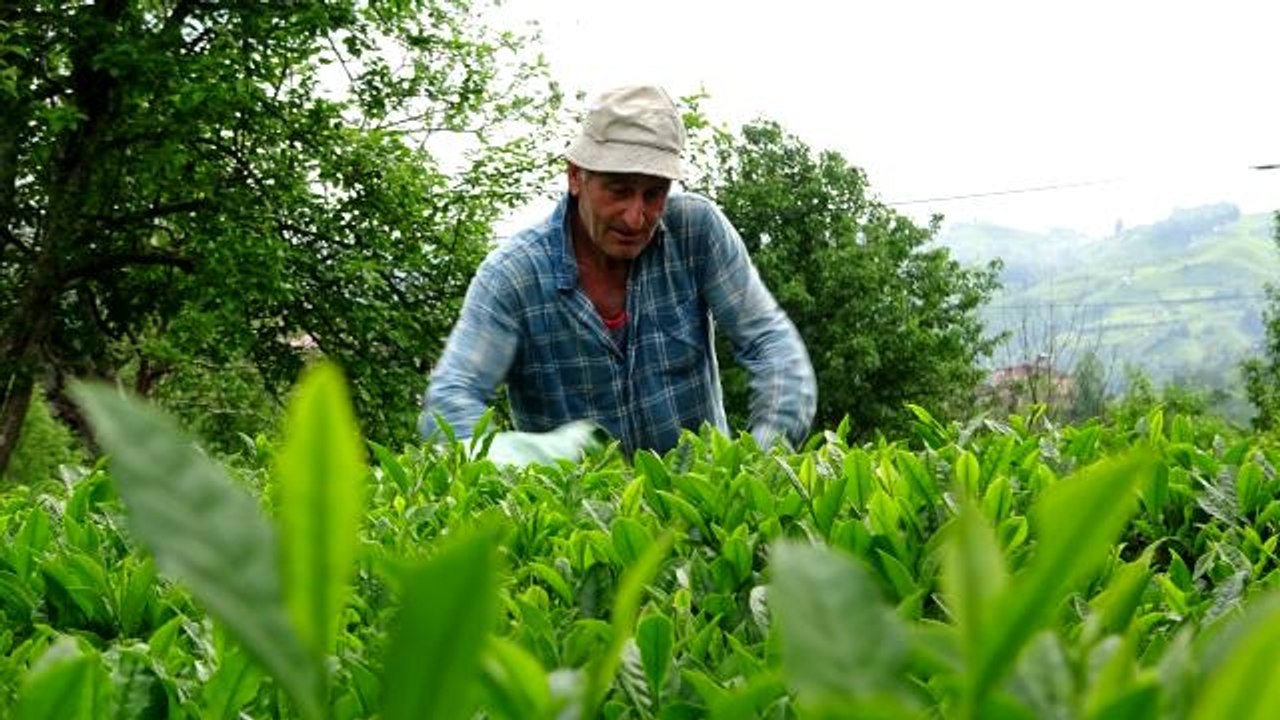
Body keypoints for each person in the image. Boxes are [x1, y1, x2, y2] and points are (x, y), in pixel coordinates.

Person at [420, 85, 816, 454]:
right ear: (576, 176)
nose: (635, 217)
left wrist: (762, 462)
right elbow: (452, 398)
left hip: (700, 512)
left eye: (654, 193)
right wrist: (514, 469)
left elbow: (771, 345)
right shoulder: (515, 276)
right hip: (578, 521)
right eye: (619, 190)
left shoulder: (696, 232)